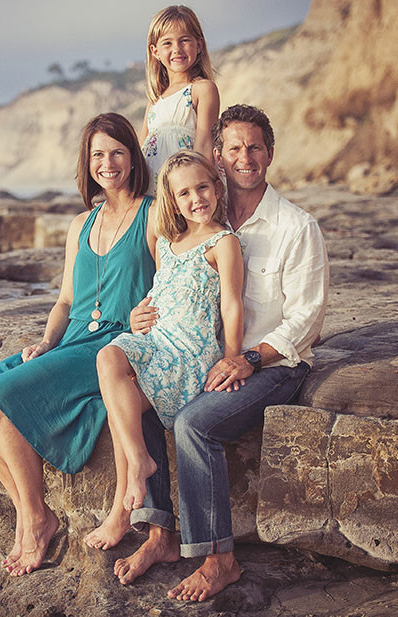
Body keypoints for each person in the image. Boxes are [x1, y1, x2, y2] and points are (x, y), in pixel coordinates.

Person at [116, 105, 329, 602]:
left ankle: (219, 560)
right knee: (137, 388)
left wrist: (249, 359)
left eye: (255, 147)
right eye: (233, 147)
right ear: (218, 155)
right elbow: (171, 286)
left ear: (270, 154)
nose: (244, 157)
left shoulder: (297, 228)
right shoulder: (201, 215)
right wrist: (138, 318)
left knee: (194, 422)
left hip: (274, 364)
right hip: (204, 355)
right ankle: (160, 534)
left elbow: (307, 321)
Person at [0, 113, 157, 576]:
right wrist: (46, 341)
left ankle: (32, 521)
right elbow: (66, 300)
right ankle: (35, 513)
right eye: (97, 155)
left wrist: (145, 315)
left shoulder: (153, 215)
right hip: (69, 342)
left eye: (116, 152)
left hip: (114, 347)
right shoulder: (80, 224)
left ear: (133, 157)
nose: (107, 163)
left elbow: (173, 280)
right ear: (87, 165)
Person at [84, 150, 244, 552]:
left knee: (119, 402)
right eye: (184, 193)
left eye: (203, 187)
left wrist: (232, 356)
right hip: (157, 342)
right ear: (172, 201)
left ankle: (132, 493)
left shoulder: (224, 242)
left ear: (217, 187)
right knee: (108, 356)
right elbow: (160, 291)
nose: (196, 199)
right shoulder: (170, 242)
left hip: (189, 353)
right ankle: (139, 461)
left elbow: (231, 305)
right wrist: (139, 312)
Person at [139, 5, 221, 181]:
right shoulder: (155, 99)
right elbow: (140, 149)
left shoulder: (202, 89)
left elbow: (205, 146)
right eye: (167, 43)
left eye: (184, 40)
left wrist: (193, 190)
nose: (177, 49)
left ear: (198, 45)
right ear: (155, 52)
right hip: (152, 191)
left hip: (185, 186)